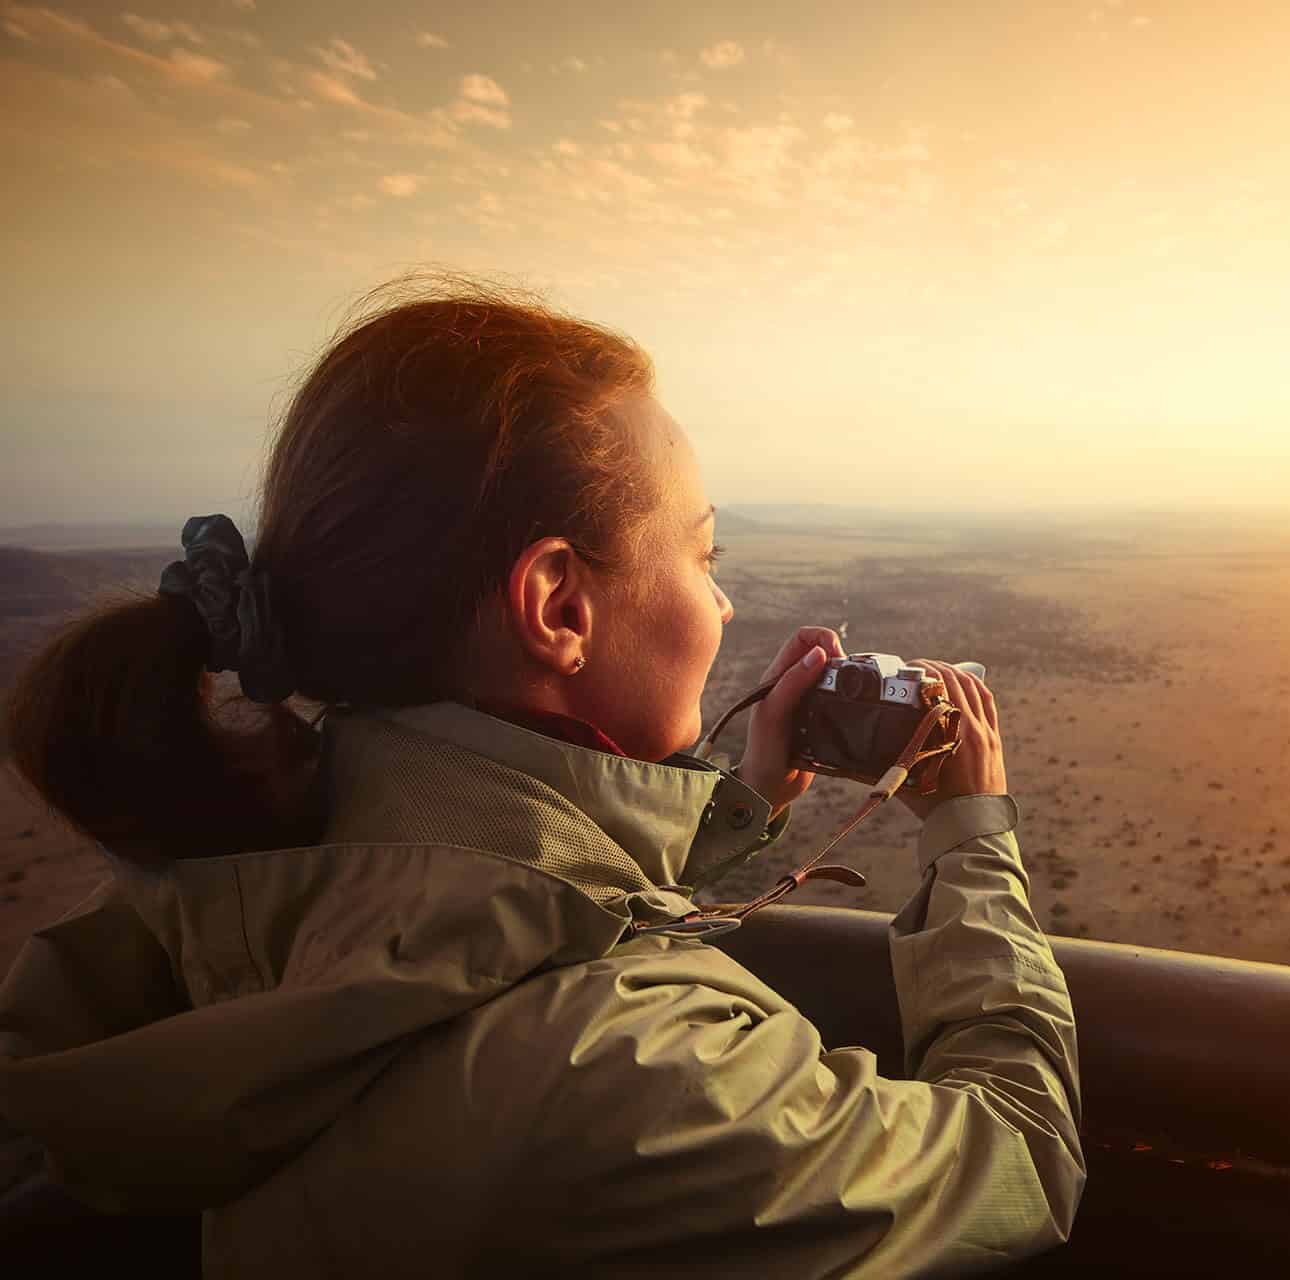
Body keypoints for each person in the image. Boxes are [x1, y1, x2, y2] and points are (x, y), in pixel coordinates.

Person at [0, 278, 1084, 1275]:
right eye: (704, 556)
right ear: (559, 604)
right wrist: (970, 832)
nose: (722, 605)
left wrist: (734, 806)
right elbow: (1017, 1160)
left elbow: (482, 919)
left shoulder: (228, 890)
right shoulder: (642, 1080)